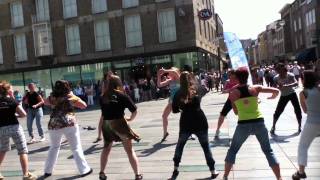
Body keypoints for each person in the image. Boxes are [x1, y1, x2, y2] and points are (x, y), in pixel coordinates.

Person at [223, 67, 282, 180]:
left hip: (243, 124)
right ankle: (279, 177)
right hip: (259, 122)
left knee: (233, 150)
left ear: (236, 78)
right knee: (268, 151)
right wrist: (272, 96)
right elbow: (276, 91)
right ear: (247, 76)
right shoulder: (256, 88)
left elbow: (235, 112)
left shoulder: (233, 93)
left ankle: (225, 176)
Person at [170, 71, 219, 180]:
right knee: (206, 147)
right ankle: (213, 170)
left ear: (180, 80)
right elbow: (205, 89)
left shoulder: (177, 93)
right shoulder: (197, 89)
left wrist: (183, 106)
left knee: (180, 146)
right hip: (199, 120)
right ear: (191, 78)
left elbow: (174, 110)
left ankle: (175, 168)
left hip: (185, 122)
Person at [43, 80, 92, 178]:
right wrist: (74, 97)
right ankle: (84, 170)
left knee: (54, 147)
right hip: (69, 123)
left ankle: (48, 171)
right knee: (76, 147)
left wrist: (54, 101)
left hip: (54, 124)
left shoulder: (52, 97)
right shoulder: (70, 97)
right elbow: (84, 105)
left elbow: (44, 102)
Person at [99, 75, 142, 180]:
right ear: (118, 84)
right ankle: (137, 174)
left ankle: (102, 173)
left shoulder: (102, 97)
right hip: (120, 124)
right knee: (129, 151)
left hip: (107, 125)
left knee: (106, 149)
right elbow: (134, 111)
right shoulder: (122, 96)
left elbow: (103, 114)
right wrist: (130, 119)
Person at [0, 81, 37, 180]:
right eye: (11, 89)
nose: (12, 90)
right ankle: (26, 174)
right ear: (8, 91)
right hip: (14, 127)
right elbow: (23, 114)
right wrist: (14, 114)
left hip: (2, 128)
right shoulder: (12, 101)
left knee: (2, 150)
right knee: (22, 150)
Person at [292, 71, 320, 180]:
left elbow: (305, 110)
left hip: (312, 122)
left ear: (304, 80)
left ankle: (301, 172)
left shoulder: (303, 93)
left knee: (303, 146)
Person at [270, 63, 302, 135]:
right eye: (278, 70)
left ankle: (299, 126)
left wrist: (287, 85)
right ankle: (273, 127)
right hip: (283, 95)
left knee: (297, 110)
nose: (279, 72)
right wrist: (277, 86)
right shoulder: (276, 78)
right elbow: (274, 86)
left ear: (284, 70)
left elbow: (296, 83)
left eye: (281, 70)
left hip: (292, 94)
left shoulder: (290, 75)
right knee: (278, 111)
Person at [157, 67, 180, 142]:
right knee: (164, 116)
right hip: (171, 101)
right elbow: (159, 85)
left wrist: (164, 70)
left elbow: (174, 72)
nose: (169, 73)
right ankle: (165, 133)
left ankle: (189, 132)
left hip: (180, 100)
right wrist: (159, 76)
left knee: (185, 116)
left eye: (170, 72)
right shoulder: (170, 81)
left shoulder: (179, 79)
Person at [214, 70, 238, 139]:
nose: (229, 76)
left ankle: (245, 128)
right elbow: (223, 91)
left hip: (239, 100)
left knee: (241, 114)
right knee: (222, 114)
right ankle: (217, 130)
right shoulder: (228, 81)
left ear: (234, 75)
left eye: (230, 74)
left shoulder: (238, 81)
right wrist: (229, 90)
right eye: (229, 75)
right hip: (230, 100)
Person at [94, 71, 114, 143]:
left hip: (110, 103)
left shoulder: (112, 82)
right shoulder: (106, 82)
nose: (111, 75)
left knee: (117, 120)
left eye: (111, 74)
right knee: (103, 121)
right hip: (106, 103)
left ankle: (100, 136)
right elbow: (103, 92)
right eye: (110, 75)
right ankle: (99, 136)